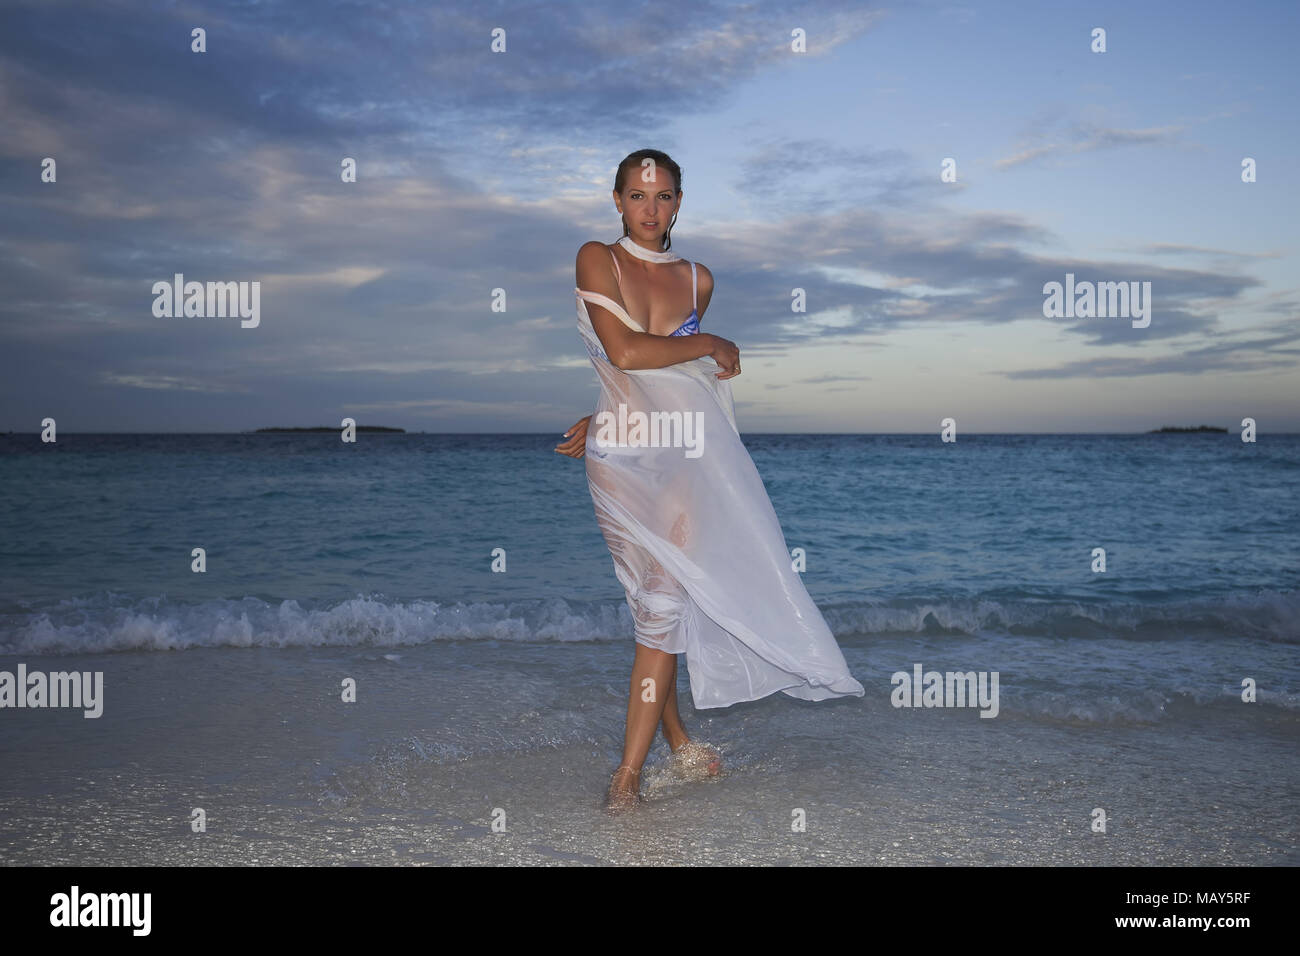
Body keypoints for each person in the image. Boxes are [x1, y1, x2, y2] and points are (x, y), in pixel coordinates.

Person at [555, 149, 864, 812]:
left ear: (679, 203)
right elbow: (628, 353)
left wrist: (622, 395)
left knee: (663, 607)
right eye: (638, 197)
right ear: (616, 200)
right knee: (653, 609)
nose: (650, 209)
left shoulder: (698, 278)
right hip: (622, 460)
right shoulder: (594, 258)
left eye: (665, 196)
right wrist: (699, 348)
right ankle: (674, 740)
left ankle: (626, 779)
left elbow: (678, 384)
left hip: (691, 456)